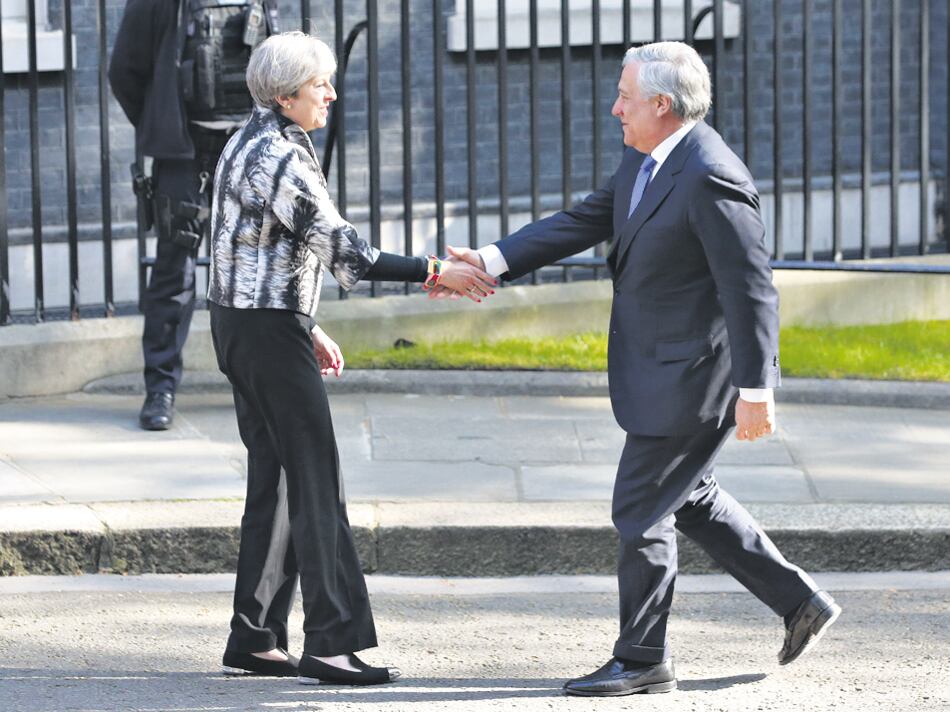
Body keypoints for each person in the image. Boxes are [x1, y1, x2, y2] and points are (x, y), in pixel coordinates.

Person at [441, 41, 840, 696]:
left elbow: (751, 290)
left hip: (692, 378)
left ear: (661, 103)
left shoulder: (711, 175)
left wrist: (755, 389)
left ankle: (643, 657)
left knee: (639, 511)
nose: (613, 108)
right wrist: (491, 259)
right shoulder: (648, 157)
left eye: (624, 96)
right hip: (660, 367)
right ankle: (800, 602)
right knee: (691, 499)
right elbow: (586, 218)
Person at [208, 31, 496, 684]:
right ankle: (332, 643)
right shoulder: (280, 155)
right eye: (320, 86)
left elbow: (244, 245)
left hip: (242, 325)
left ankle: (254, 636)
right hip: (264, 332)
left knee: (278, 481)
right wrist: (435, 272)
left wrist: (301, 325)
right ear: (285, 96)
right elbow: (348, 252)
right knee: (316, 482)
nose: (332, 95)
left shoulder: (246, 138)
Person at [109, 0, 279, 431]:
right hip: (186, 155)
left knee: (254, 269)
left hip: (248, 150)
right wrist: (161, 126)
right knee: (174, 274)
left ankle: (255, 385)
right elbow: (124, 72)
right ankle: (160, 388)